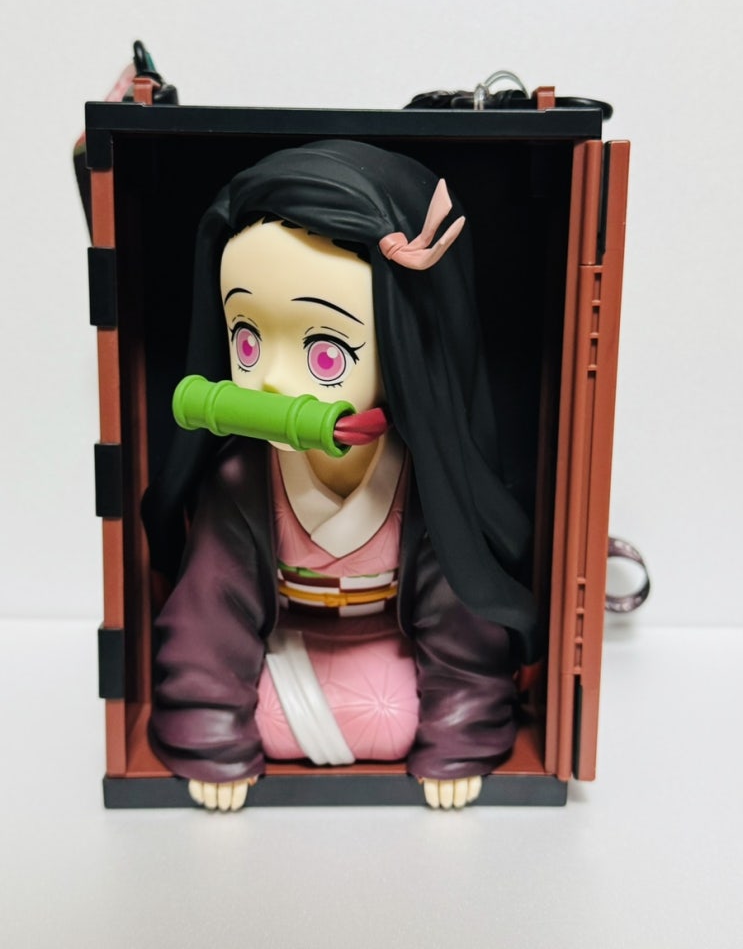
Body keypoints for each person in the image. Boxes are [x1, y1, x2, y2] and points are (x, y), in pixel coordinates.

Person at [143, 140, 538, 811]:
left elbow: (458, 619)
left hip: (392, 648)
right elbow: (211, 611)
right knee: (274, 717)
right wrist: (212, 729)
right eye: (247, 341)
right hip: (285, 646)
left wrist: (459, 732)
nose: (269, 379)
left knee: (392, 715)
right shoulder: (243, 478)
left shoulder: (428, 482)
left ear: (406, 344)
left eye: (324, 352)